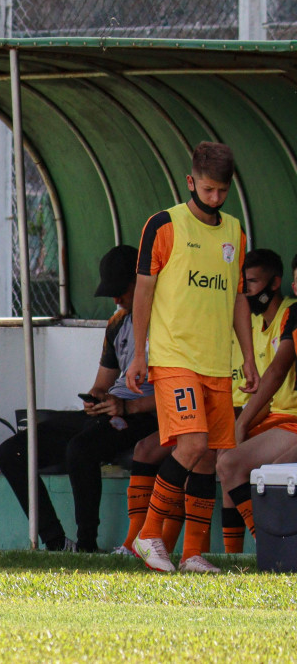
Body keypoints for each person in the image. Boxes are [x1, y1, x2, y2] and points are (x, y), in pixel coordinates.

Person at [126, 141, 258, 573]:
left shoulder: (235, 232)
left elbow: (239, 297)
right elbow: (143, 291)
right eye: (207, 189)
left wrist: (249, 359)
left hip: (217, 363)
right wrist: (138, 353)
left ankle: (193, 553)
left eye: (222, 191)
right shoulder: (164, 225)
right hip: (174, 357)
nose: (214, 198)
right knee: (192, 444)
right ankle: (147, 536)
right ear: (190, 182)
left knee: (207, 456)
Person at [0, 245, 158, 553]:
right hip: (113, 411)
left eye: (121, 291)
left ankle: (87, 546)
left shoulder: (167, 325)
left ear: (142, 282)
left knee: (80, 449)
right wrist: (96, 399)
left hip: (143, 415)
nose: (116, 300)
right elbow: (102, 383)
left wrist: (127, 407)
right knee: (12, 452)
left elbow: (175, 393)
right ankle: (56, 542)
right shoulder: (117, 323)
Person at [219, 250, 297, 550]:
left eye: (252, 282)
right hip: (278, 418)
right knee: (224, 460)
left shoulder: (290, 313)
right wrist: (239, 425)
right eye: (243, 284)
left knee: (266, 469)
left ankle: (272, 547)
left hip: (290, 421)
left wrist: (241, 425)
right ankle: (233, 555)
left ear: (275, 283)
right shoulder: (251, 321)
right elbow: (269, 384)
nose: (247, 291)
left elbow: (276, 374)